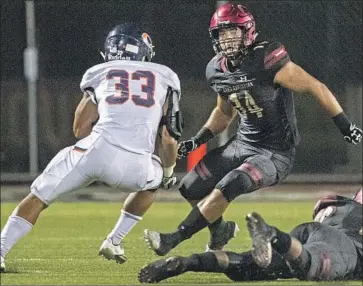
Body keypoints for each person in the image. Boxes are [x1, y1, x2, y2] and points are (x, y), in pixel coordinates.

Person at [144, 3, 362, 255]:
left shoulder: (267, 59)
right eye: (222, 33)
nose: (227, 39)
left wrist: (344, 125)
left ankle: (173, 239)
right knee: (190, 186)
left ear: (247, 31)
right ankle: (220, 231)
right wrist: (197, 140)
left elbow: (317, 87)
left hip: (274, 152)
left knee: (229, 184)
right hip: (242, 144)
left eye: (232, 32)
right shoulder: (216, 69)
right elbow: (223, 113)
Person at [0, 22, 184, 272]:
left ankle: (0, 251)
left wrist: (94, 152)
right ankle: (114, 240)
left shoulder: (99, 72)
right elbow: (169, 137)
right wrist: (170, 172)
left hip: (95, 151)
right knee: (155, 180)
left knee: (38, 197)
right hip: (137, 165)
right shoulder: (165, 76)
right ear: (142, 50)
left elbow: (80, 128)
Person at [138, 189, 363, 283]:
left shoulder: (341, 209)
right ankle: (273, 235)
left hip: (307, 234)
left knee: (246, 266)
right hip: (338, 244)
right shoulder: (352, 222)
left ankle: (187, 262)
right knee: (316, 267)